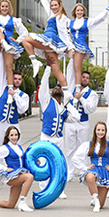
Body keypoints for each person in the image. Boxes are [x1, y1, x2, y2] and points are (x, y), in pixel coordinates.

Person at [22, 0, 73, 96]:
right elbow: (45, 5)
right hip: (49, 42)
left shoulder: (62, 17)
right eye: (52, 5)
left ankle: (35, 61)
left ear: (60, 6)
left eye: (55, 5)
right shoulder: (51, 15)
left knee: (26, 40)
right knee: (55, 69)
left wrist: (69, 47)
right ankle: (66, 91)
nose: (53, 7)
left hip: (50, 39)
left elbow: (66, 32)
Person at [38, 66, 80, 199]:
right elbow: (43, 89)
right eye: (55, 87)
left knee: (59, 163)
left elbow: (76, 117)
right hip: (46, 137)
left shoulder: (64, 108)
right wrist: (48, 71)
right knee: (44, 162)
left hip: (59, 139)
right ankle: (43, 188)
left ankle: (58, 189)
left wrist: (70, 102)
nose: (57, 88)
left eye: (59, 88)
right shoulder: (46, 101)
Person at [72, 122, 109, 212]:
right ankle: (95, 200)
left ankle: (96, 200)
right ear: (95, 131)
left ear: (105, 132)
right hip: (94, 169)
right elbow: (75, 158)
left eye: (102, 130)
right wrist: (85, 168)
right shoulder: (89, 144)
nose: (100, 132)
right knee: (90, 176)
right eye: (98, 130)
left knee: (101, 205)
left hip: (105, 172)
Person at [0, 0, 28, 105]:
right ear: (0, 7)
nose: (4, 8)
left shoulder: (14, 20)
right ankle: (3, 43)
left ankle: (10, 92)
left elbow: (25, 32)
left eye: (6, 6)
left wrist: (17, 40)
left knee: (8, 67)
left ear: (9, 8)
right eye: (2, 6)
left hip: (9, 45)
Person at [0, 126, 35, 212]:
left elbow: (23, 162)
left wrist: (35, 162)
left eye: (16, 135)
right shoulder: (5, 148)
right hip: (12, 176)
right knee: (29, 177)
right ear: (8, 136)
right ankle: (22, 203)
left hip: (19, 175)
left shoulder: (19, 147)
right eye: (12, 135)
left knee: (10, 205)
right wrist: (4, 168)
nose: (14, 137)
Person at [64, 70, 99, 181]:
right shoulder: (71, 89)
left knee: (83, 148)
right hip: (70, 123)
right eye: (83, 77)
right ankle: (70, 172)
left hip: (83, 123)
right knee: (70, 148)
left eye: (87, 78)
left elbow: (90, 109)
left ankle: (83, 171)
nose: (85, 79)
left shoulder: (92, 93)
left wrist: (81, 98)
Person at [67, 2, 108, 86]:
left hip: (81, 46)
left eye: (81, 10)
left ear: (84, 12)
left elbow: (100, 18)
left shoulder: (87, 22)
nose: (79, 12)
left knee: (77, 67)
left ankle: (77, 88)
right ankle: (71, 87)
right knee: (70, 67)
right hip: (72, 46)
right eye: (78, 10)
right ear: (75, 12)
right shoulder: (70, 22)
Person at [0, 67, 30, 150]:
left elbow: (22, 109)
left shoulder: (23, 95)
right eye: (15, 78)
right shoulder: (3, 88)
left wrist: (15, 95)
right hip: (0, 122)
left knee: (15, 149)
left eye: (19, 79)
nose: (17, 80)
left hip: (13, 123)